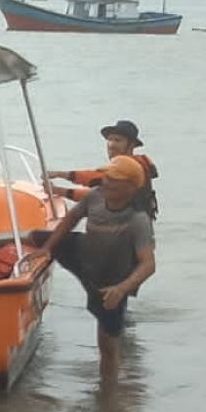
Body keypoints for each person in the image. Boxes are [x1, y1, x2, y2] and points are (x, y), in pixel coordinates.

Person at [32, 155, 156, 377]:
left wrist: (121, 289)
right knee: (36, 237)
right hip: (82, 256)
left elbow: (148, 264)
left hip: (110, 281)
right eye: (105, 176)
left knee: (108, 345)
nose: (105, 182)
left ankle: (109, 396)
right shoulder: (94, 197)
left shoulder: (138, 220)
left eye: (113, 179)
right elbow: (70, 219)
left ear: (130, 187)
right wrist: (48, 248)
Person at [47, 120, 158, 219]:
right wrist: (59, 189)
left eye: (118, 140)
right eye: (109, 140)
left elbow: (94, 179)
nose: (111, 145)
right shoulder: (138, 163)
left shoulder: (129, 166)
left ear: (131, 145)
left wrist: (58, 177)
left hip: (126, 230)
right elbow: (98, 193)